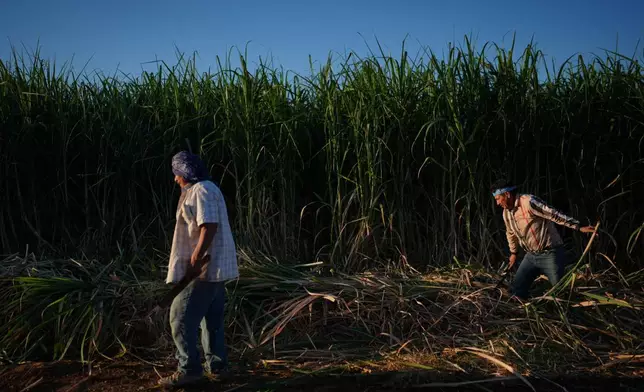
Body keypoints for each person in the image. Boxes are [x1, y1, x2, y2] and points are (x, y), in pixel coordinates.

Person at [159, 150, 238, 387]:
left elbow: (209, 225)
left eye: (176, 174)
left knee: (180, 316)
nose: (175, 179)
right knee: (210, 321)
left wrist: (195, 257)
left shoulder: (202, 189)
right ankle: (218, 367)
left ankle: (189, 369)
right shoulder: (201, 189)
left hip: (205, 268)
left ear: (184, 172)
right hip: (212, 268)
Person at [491, 179, 595, 299]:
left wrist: (578, 226)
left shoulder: (529, 202)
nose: (497, 203)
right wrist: (514, 253)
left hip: (551, 253)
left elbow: (553, 213)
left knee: (559, 292)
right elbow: (510, 233)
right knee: (517, 291)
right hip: (531, 256)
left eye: (498, 199)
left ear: (507, 194)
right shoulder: (506, 213)